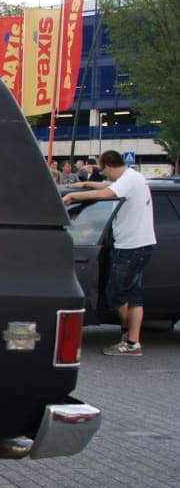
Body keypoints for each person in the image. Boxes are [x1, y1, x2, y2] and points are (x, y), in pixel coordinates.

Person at [63, 150, 158, 356]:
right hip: (139, 245)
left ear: (108, 166)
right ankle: (133, 341)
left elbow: (108, 193)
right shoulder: (134, 177)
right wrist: (85, 184)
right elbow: (108, 187)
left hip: (131, 247)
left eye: (104, 171)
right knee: (133, 296)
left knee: (115, 294)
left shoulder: (129, 179)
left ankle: (128, 334)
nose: (105, 176)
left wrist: (73, 196)